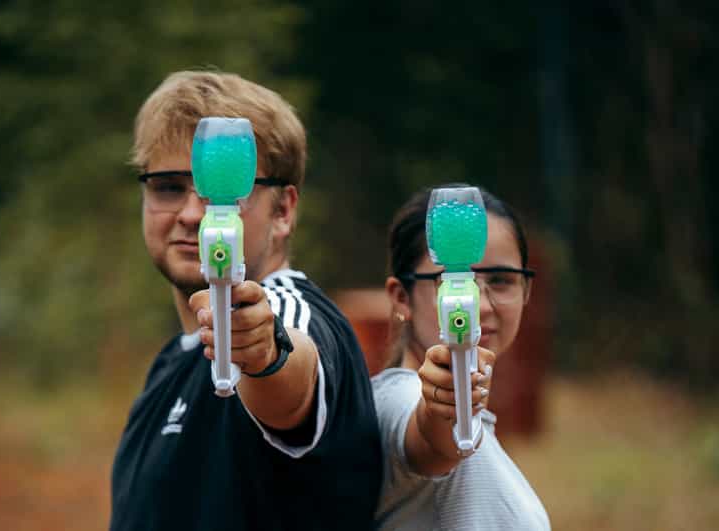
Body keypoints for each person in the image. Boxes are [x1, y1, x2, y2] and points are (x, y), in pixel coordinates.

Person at [109, 71, 382, 531]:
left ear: (284, 211)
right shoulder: (172, 361)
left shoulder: (292, 312)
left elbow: (291, 368)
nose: (193, 214)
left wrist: (263, 354)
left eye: (224, 191)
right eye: (169, 187)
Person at [373, 185, 550, 530]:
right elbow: (434, 437)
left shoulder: (483, 424)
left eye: (501, 280)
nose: (477, 305)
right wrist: (444, 402)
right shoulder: (395, 399)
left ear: (526, 289)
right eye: (449, 281)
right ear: (401, 298)